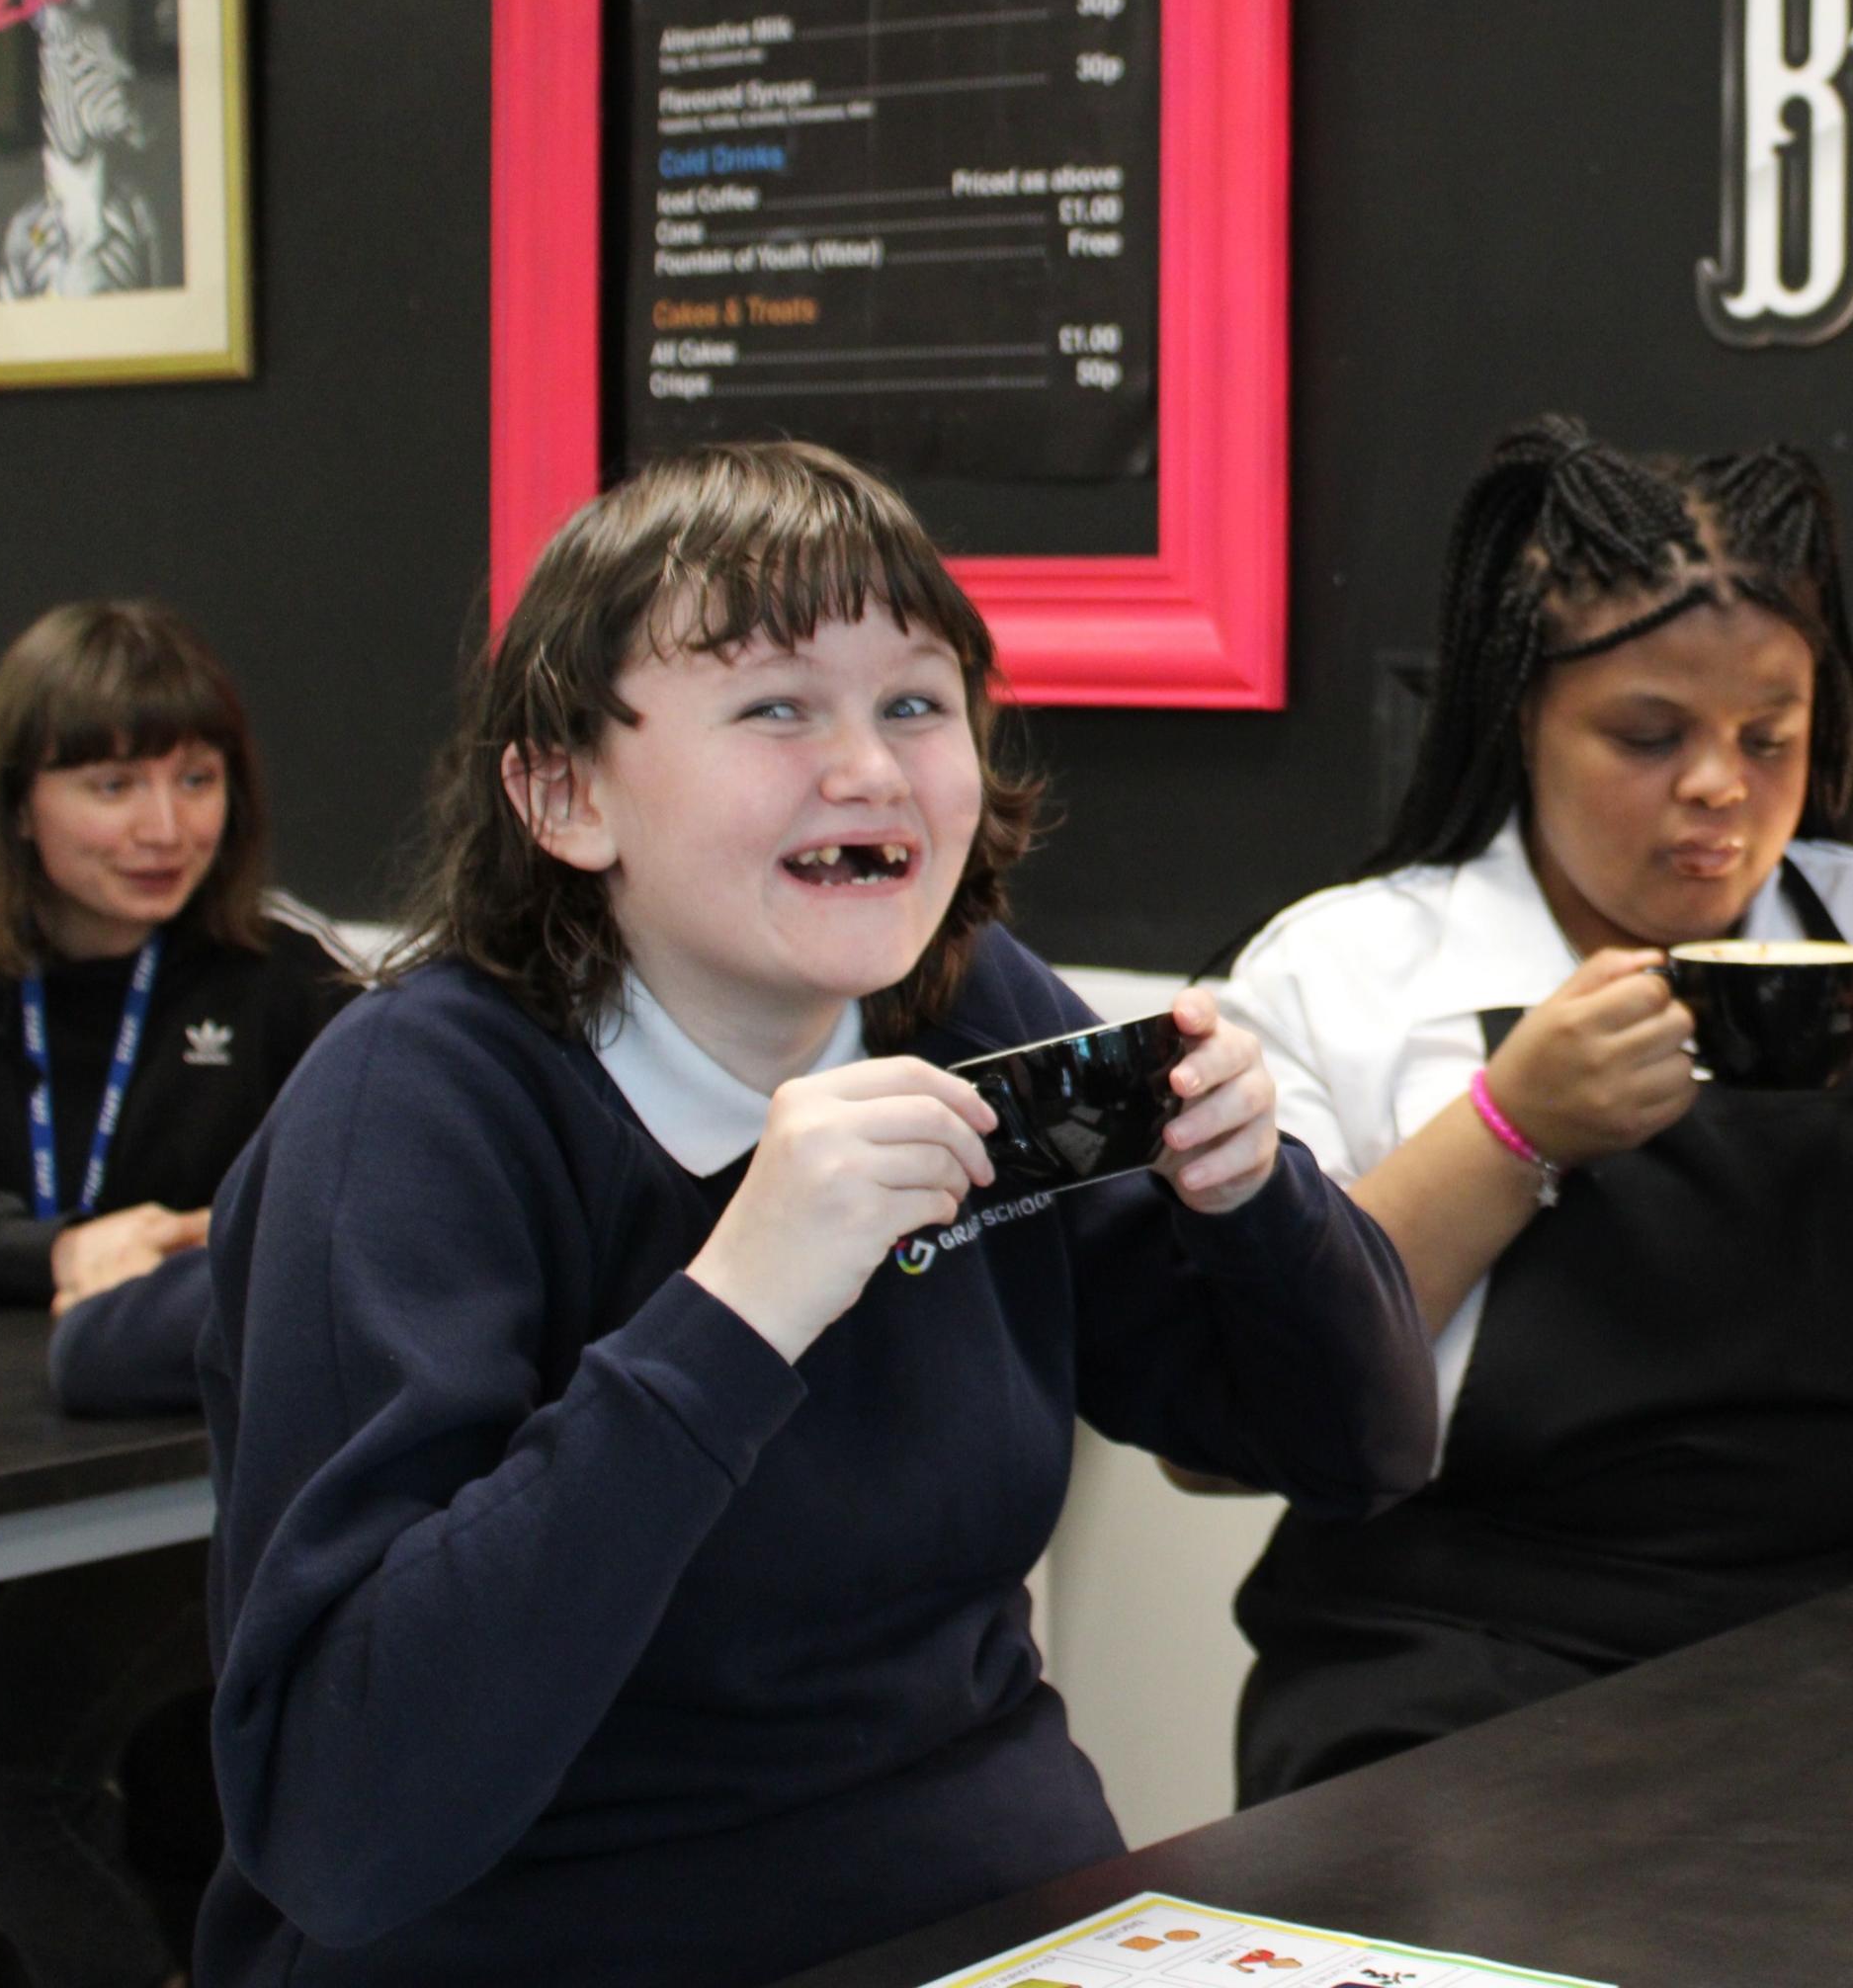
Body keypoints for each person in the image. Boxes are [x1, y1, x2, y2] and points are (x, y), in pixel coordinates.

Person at [197, 441, 1435, 1988]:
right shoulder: (413, 1111)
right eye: (776, 707)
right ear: (565, 793)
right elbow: (345, 1817)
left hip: (1001, 1913)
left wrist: (1262, 1204)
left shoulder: (975, 1008)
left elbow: (1364, 1452)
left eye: (916, 703)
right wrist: (739, 1307)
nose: (869, 767)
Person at [1218, 417, 1853, 1801]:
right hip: (1465, 1687)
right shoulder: (1350, 980)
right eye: (1647, 734)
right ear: (1520, 721)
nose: (1721, 786)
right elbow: (1236, 1420)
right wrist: (1507, 1133)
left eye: (1768, 734)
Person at [0, 601, 357, 1988]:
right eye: (112, 784)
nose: (165, 825)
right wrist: (43, 1252)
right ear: (16, 803)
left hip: (196, 1480)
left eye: (196, 779)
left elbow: (405, 1187)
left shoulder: (283, 968)